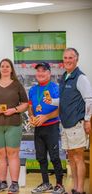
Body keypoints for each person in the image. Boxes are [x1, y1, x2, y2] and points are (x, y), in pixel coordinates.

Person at [0, 58, 28, 193]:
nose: (4, 68)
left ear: (11, 69)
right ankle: (2, 182)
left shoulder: (17, 85)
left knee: (13, 154)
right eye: (2, 66)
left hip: (13, 124)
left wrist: (14, 110)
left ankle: (14, 183)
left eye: (7, 66)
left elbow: (25, 104)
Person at [28, 62, 65, 194]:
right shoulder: (32, 90)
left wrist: (46, 117)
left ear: (49, 73)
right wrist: (32, 117)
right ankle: (46, 183)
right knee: (41, 157)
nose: (40, 73)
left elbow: (61, 109)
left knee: (54, 157)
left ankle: (60, 185)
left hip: (52, 127)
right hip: (38, 128)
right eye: (38, 71)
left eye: (44, 71)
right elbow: (30, 108)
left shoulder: (56, 88)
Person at [59, 48, 92, 194]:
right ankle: (74, 187)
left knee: (78, 156)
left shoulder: (81, 78)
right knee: (71, 157)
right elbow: (64, 100)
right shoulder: (65, 76)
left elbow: (89, 100)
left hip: (76, 124)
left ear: (76, 59)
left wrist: (87, 120)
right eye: (65, 58)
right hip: (65, 125)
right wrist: (51, 101)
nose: (67, 60)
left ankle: (80, 190)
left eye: (70, 57)